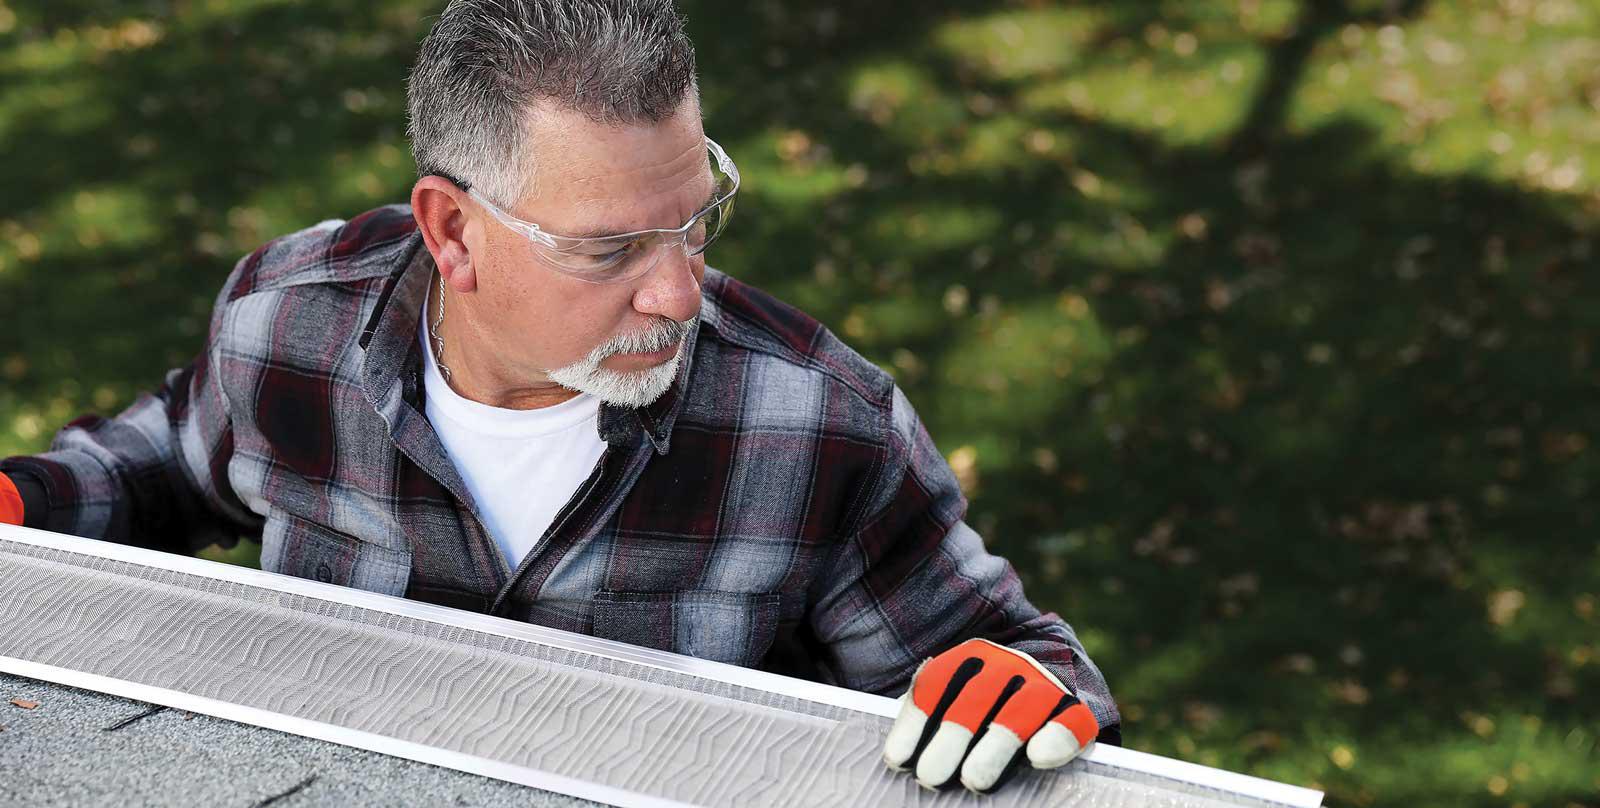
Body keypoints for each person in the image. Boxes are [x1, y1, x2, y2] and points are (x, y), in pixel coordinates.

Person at [0, 0, 1117, 794]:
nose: (678, 292)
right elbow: (162, 464)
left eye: (696, 220)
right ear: (452, 230)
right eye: (609, 249)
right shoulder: (289, 325)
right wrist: (25, 498)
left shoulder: (822, 425)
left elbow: (1011, 665)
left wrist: (1025, 683)